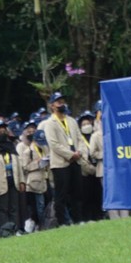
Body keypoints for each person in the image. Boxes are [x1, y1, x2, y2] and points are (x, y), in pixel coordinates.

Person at [43, 92, 83, 226]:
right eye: (58, 102)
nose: (61, 104)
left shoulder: (71, 120)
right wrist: (70, 154)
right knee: (61, 195)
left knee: (77, 192)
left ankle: (78, 220)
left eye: (62, 101)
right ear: (52, 106)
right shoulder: (49, 123)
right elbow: (54, 144)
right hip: (60, 163)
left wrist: (80, 151)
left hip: (75, 160)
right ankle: (62, 222)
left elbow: (79, 138)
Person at [0, 121, 25, 235]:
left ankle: (15, 228)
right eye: (0, 132)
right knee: (3, 208)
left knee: (14, 207)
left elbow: (18, 165)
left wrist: (22, 180)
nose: (2, 133)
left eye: (4, 131)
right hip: (0, 183)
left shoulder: (11, 147)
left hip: (13, 180)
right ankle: (5, 230)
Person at [21, 130, 50, 231]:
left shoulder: (45, 148)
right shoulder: (27, 152)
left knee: (44, 204)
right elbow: (25, 166)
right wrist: (37, 164)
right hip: (34, 182)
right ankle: (39, 225)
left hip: (45, 179)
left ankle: (44, 224)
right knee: (38, 206)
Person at [77, 111, 101, 221]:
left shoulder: (96, 136)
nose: (86, 126)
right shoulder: (79, 140)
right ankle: (86, 218)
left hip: (99, 170)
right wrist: (90, 169)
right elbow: (80, 158)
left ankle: (98, 216)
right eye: (83, 124)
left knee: (98, 195)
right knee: (86, 197)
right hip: (86, 172)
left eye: (88, 123)